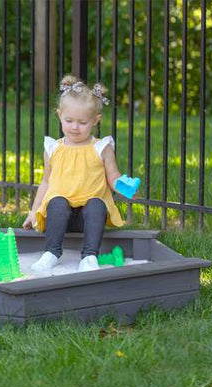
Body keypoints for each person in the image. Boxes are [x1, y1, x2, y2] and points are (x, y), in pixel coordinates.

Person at [22, 75, 128, 273]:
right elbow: (45, 182)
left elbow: (113, 177)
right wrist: (34, 211)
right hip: (59, 216)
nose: (74, 127)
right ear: (59, 115)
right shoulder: (53, 148)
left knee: (97, 203)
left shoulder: (102, 148)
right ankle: (51, 253)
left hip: (89, 218)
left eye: (82, 122)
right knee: (57, 200)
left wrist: (125, 188)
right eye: (69, 120)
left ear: (95, 121)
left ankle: (89, 257)